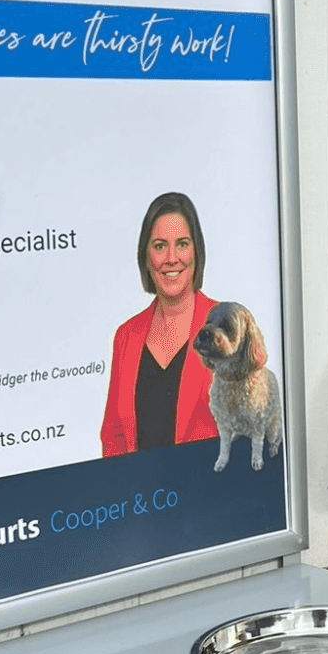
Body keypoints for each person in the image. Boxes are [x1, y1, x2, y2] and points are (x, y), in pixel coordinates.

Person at [100, 192, 219, 456]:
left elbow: (252, 428)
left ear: (196, 251)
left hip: (211, 483)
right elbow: (113, 437)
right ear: (146, 256)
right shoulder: (126, 336)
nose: (171, 258)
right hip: (140, 484)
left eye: (182, 244)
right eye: (159, 246)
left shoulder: (229, 327)